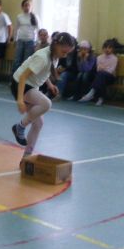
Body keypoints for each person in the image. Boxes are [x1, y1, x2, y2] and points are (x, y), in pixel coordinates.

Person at [11, 32, 76, 160]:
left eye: (67, 53)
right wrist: (20, 100)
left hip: (31, 86)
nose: (65, 55)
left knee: (38, 123)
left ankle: (26, 158)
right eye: (64, 52)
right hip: (20, 84)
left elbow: (43, 71)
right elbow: (23, 77)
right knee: (46, 104)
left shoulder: (54, 56)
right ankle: (20, 126)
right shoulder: (42, 57)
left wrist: (50, 85)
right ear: (56, 45)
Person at [79, 38, 120, 106]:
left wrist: (103, 69)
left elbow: (111, 70)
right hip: (101, 76)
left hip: (110, 77)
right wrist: (104, 69)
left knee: (101, 75)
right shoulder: (99, 57)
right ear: (103, 48)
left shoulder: (115, 58)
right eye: (105, 47)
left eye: (109, 48)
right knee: (100, 76)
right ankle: (101, 98)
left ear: (112, 49)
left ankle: (91, 93)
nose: (107, 49)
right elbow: (98, 69)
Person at [12, 0, 40, 72]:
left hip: (30, 41)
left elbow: (39, 30)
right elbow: (16, 29)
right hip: (20, 40)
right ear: (22, 7)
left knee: (26, 61)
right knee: (17, 60)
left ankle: (23, 78)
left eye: (29, 5)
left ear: (31, 7)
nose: (27, 7)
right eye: (25, 5)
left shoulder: (35, 17)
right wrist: (15, 40)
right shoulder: (19, 16)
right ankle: (14, 78)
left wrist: (37, 42)